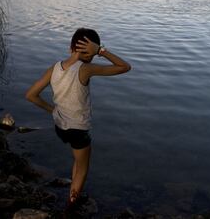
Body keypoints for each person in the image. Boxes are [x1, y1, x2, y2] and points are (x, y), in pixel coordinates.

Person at [25, 28, 131, 208]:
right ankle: (71, 204)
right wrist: (101, 51)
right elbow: (125, 67)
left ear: (71, 47)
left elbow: (31, 95)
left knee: (77, 158)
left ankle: (73, 191)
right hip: (78, 130)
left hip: (60, 127)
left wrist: (52, 110)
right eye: (94, 52)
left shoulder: (55, 67)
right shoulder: (86, 69)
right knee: (82, 168)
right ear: (91, 52)